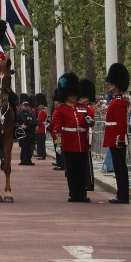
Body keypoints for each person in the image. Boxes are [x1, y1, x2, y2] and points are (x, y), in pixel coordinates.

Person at [50, 73, 90, 202]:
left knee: (82, 170)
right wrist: (59, 144)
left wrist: (90, 122)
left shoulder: (83, 108)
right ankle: (73, 194)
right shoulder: (61, 109)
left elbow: (90, 121)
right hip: (69, 143)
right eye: (73, 94)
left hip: (82, 143)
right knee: (72, 171)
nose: (75, 97)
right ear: (67, 95)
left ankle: (82, 194)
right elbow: (56, 129)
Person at [103, 63, 130, 203]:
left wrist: (119, 139)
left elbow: (121, 123)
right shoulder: (115, 100)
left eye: (111, 83)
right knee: (118, 167)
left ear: (116, 85)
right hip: (114, 137)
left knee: (120, 167)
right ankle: (121, 194)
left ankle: (123, 195)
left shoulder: (119, 101)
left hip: (117, 138)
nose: (109, 85)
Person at [15, 96, 36, 165]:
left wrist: (36, 125)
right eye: (25, 105)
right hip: (22, 133)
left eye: (27, 106)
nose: (26, 107)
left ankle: (29, 160)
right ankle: (23, 161)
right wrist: (20, 126)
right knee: (24, 147)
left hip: (30, 132)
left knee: (30, 147)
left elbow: (35, 121)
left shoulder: (31, 114)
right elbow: (15, 123)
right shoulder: (18, 114)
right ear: (22, 106)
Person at [34, 93, 48, 160]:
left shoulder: (43, 112)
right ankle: (40, 154)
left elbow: (39, 120)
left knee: (41, 143)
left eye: (40, 105)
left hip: (41, 128)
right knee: (39, 143)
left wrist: (37, 126)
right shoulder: (41, 111)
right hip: (40, 128)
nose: (39, 106)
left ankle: (42, 155)